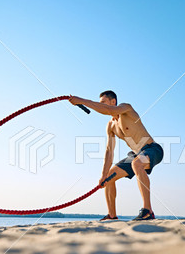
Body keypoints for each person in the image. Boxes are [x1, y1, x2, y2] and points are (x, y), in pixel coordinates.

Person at [69, 90, 164, 221]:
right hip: (136, 154)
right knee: (109, 177)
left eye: (103, 102)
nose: (99, 105)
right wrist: (103, 175)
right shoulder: (110, 126)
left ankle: (148, 211)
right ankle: (112, 215)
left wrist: (82, 101)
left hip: (153, 149)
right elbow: (109, 151)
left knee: (136, 163)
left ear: (113, 101)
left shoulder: (126, 109)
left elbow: (108, 110)